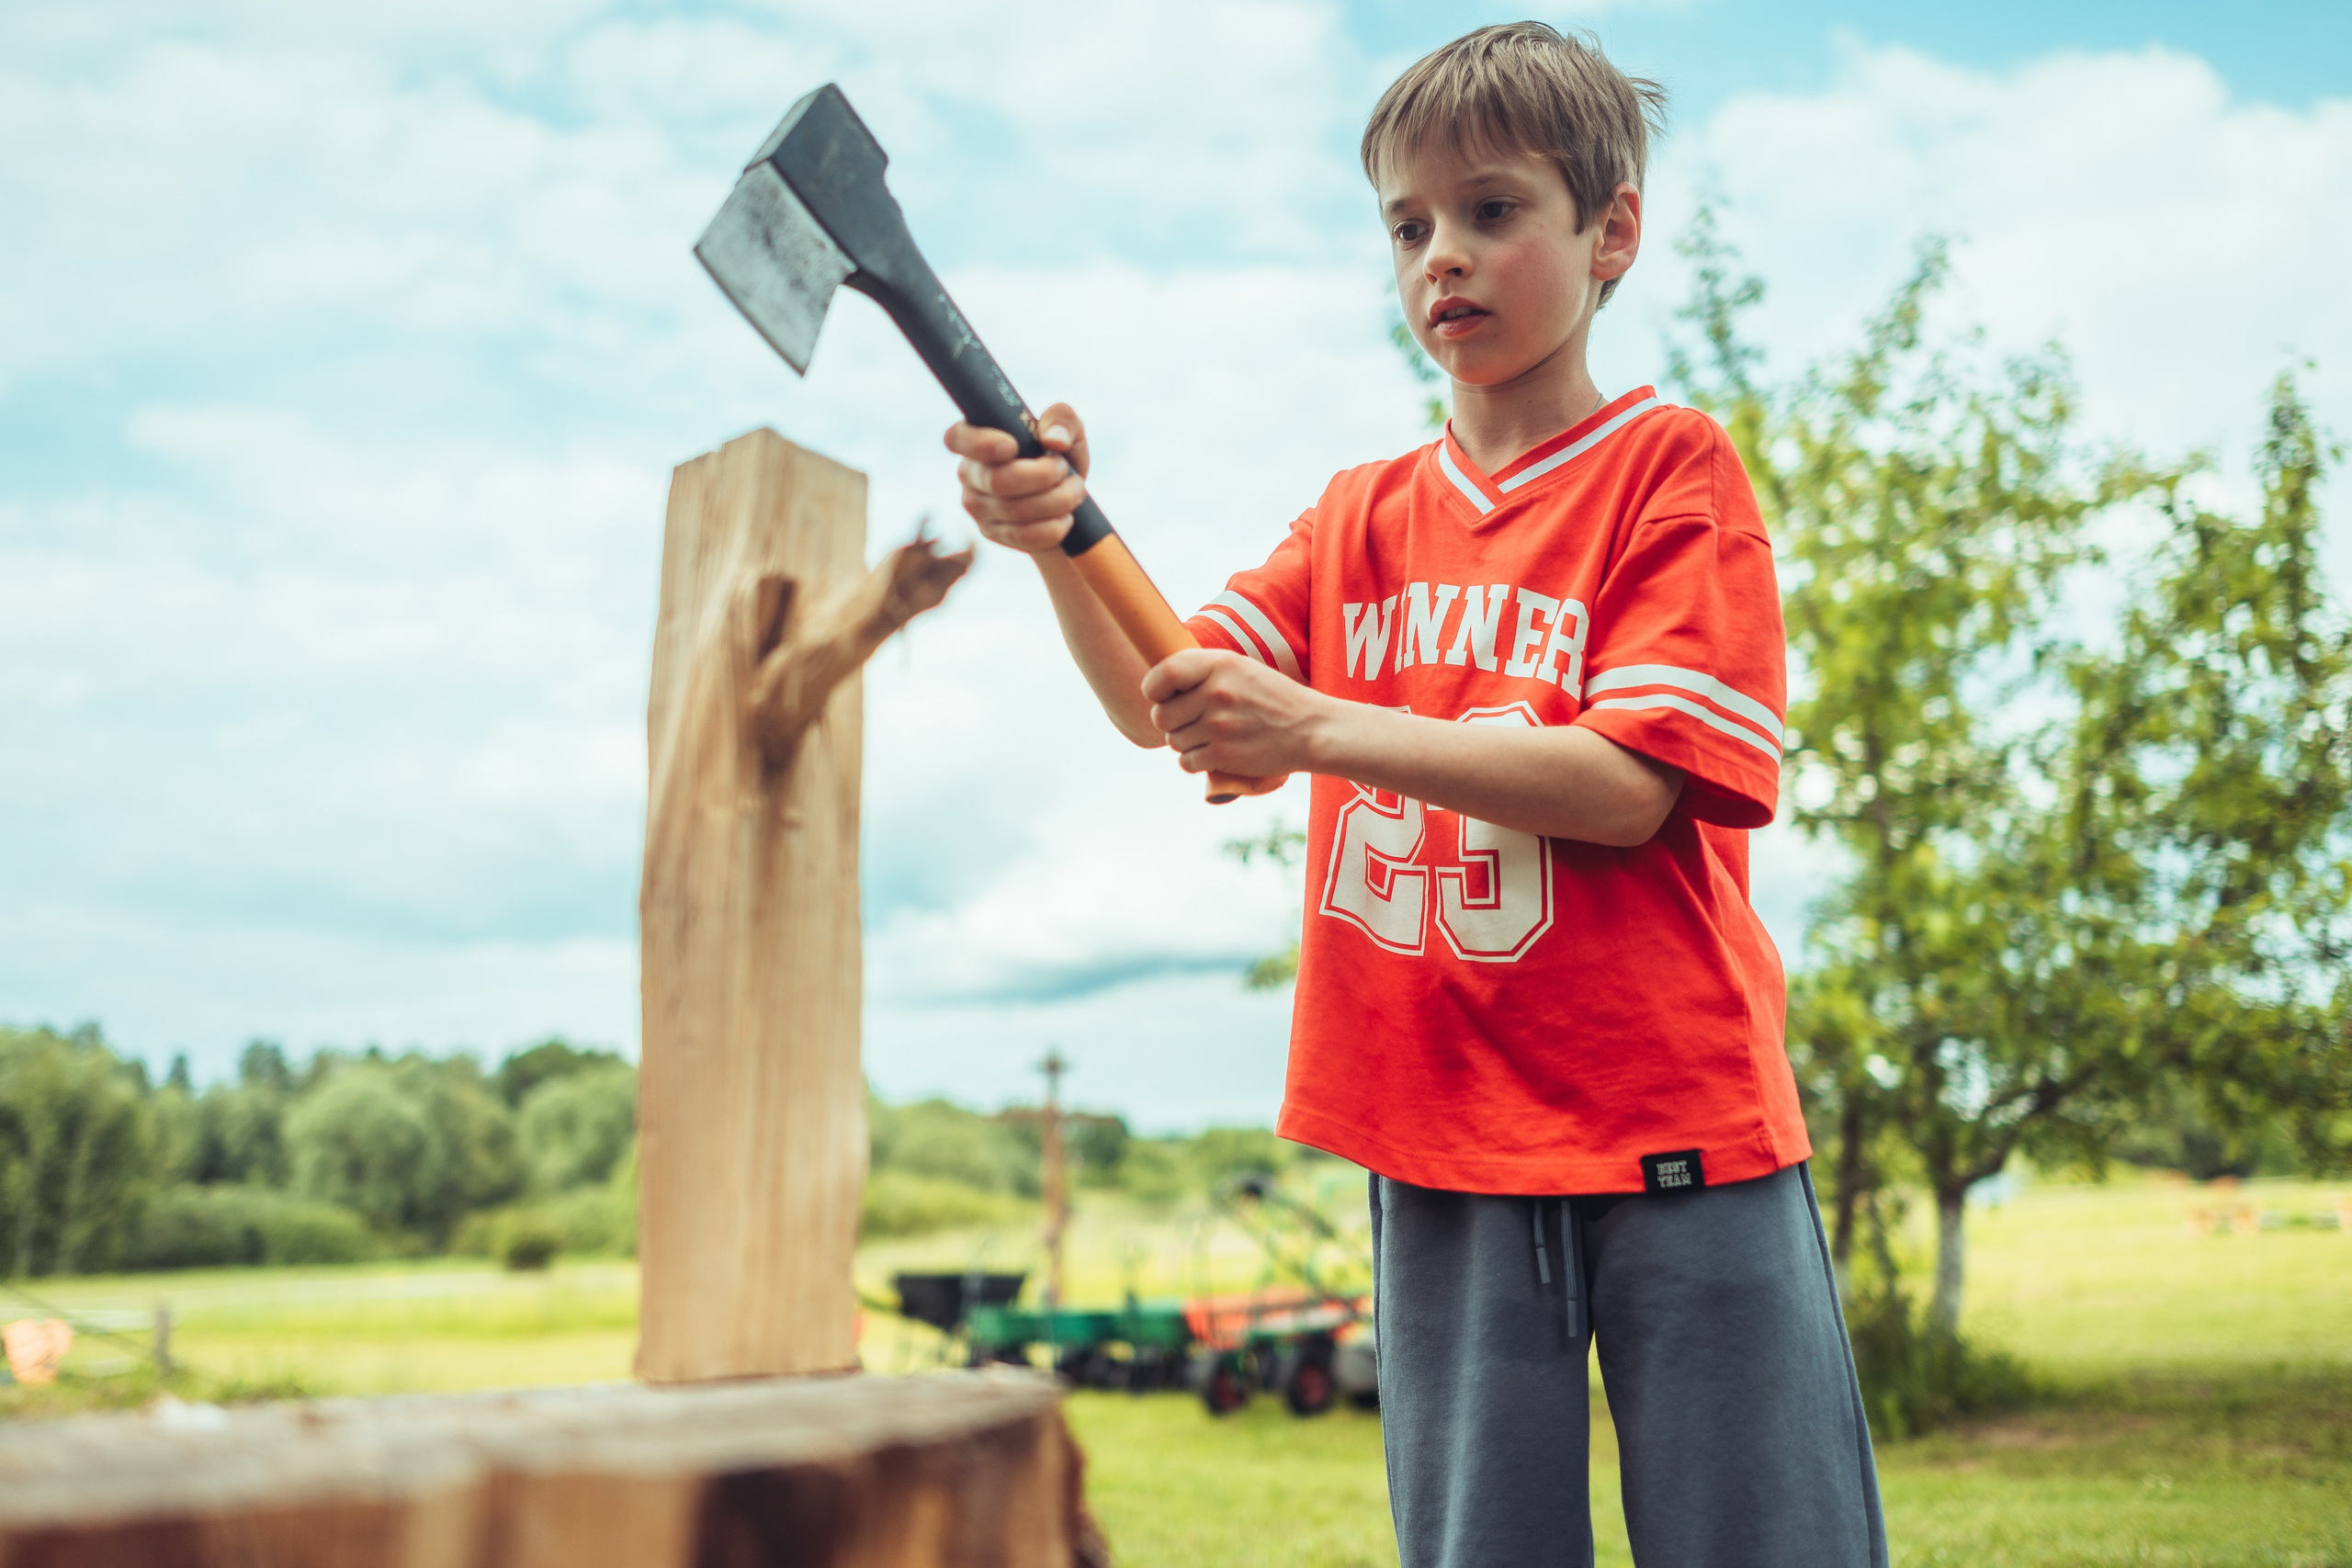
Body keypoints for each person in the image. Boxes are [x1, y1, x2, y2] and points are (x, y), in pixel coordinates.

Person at [946, 21, 1887, 1568]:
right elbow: (1162, 700)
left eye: (1493, 210)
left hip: (1678, 1123)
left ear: (1613, 231)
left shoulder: (1671, 472)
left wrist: (1318, 725)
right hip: (1438, 1132)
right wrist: (1058, 539)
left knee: (1763, 1540)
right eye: (1408, 225)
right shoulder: (1359, 515)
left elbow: (1629, 786)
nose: (1443, 256)